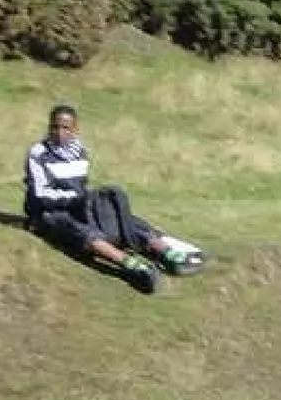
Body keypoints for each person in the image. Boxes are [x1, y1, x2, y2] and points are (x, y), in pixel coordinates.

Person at [22, 104, 204, 294]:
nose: (60, 132)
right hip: (48, 211)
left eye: (65, 128)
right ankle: (130, 264)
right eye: (55, 127)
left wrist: (87, 202)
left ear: (75, 129)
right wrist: (76, 200)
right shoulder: (38, 153)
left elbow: (80, 185)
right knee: (79, 229)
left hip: (78, 204)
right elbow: (41, 195)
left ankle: (165, 253)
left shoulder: (79, 152)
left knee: (122, 216)